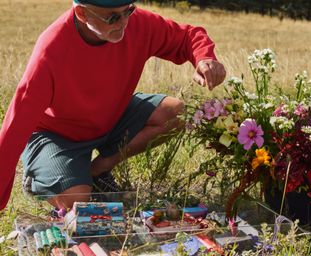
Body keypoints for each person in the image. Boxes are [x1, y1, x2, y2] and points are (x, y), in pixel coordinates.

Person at [0, 0, 226, 210]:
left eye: (128, 10)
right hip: (58, 136)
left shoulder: (136, 24)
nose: (124, 22)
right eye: (112, 17)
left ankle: (98, 169)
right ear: (82, 13)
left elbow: (187, 35)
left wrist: (204, 58)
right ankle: (39, 177)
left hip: (111, 115)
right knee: (76, 203)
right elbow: (16, 124)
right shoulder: (51, 51)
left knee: (177, 113)